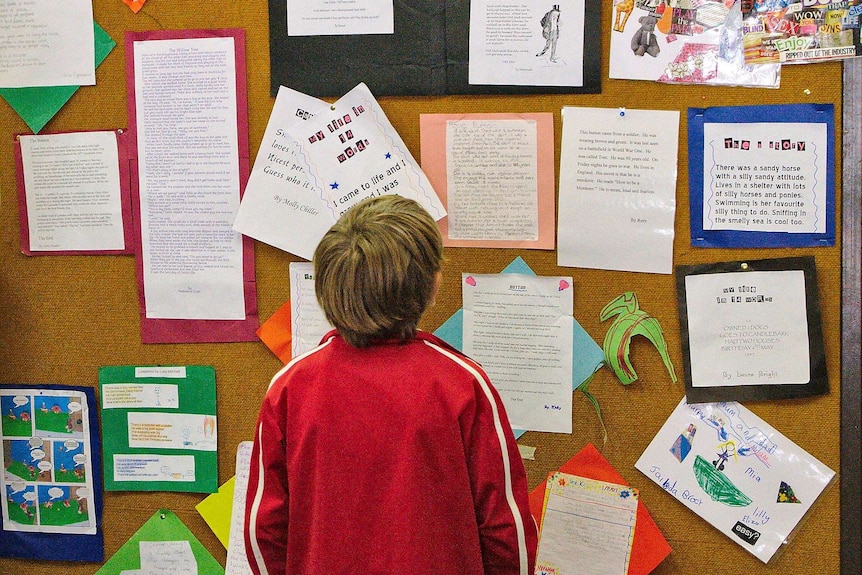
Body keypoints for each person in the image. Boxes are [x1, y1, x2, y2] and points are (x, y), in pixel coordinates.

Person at [244, 195, 538, 575]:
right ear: (432, 285)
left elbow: (262, 530)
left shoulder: (291, 387)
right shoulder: (462, 384)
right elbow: (505, 530)